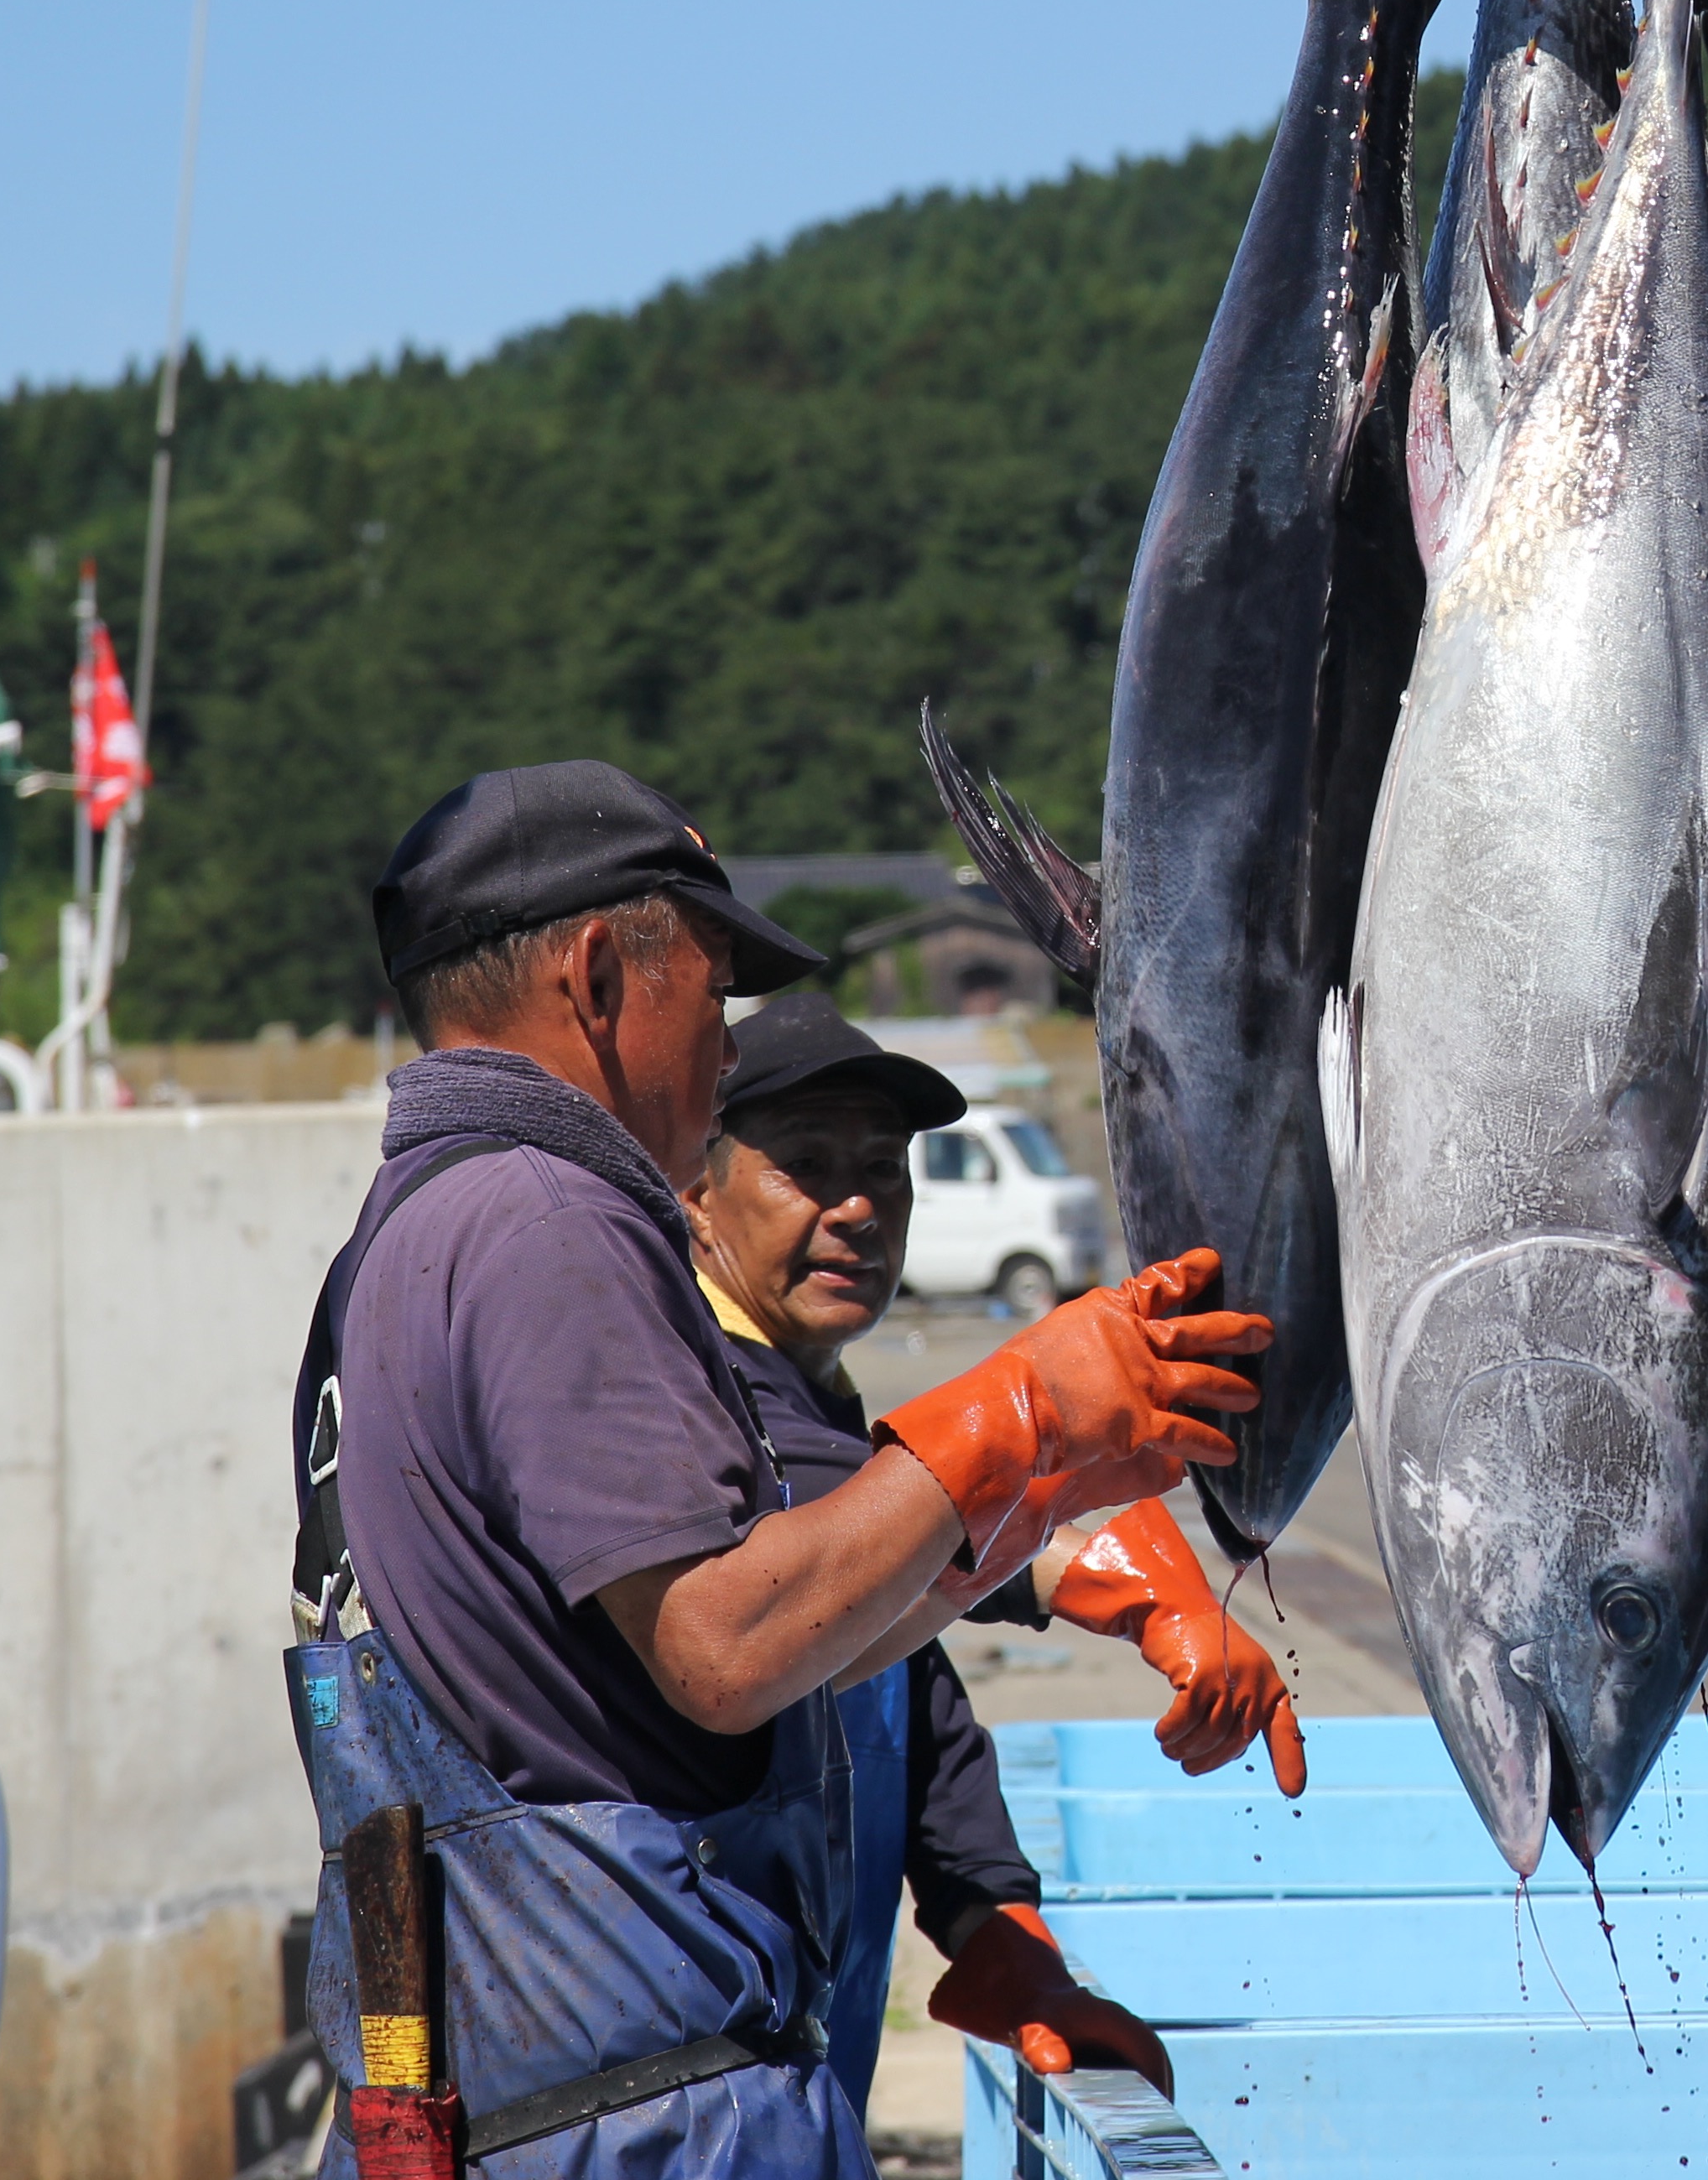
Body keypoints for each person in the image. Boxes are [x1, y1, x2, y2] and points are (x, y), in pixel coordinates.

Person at [289, 761, 1268, 2177]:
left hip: (530, 2098)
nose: (726, 1044)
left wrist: (1033, 1508)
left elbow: (791, 1631)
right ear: (599, 971)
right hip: (650, 2118)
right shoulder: (547, 1216)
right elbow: (729, 1644)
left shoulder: (401, 1238)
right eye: (716, 984)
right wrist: (1021, 1418)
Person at [676, 996, 1304, 2115]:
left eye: (884, 1166)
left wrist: (997, 1935)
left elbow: (896, 1684)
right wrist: (1112, 1565)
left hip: (787, 2089)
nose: (857, 1205)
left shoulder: (819, 1405)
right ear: (696, 1193)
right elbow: (841, 1570)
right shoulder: (696, 1404)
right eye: (805, 1165)